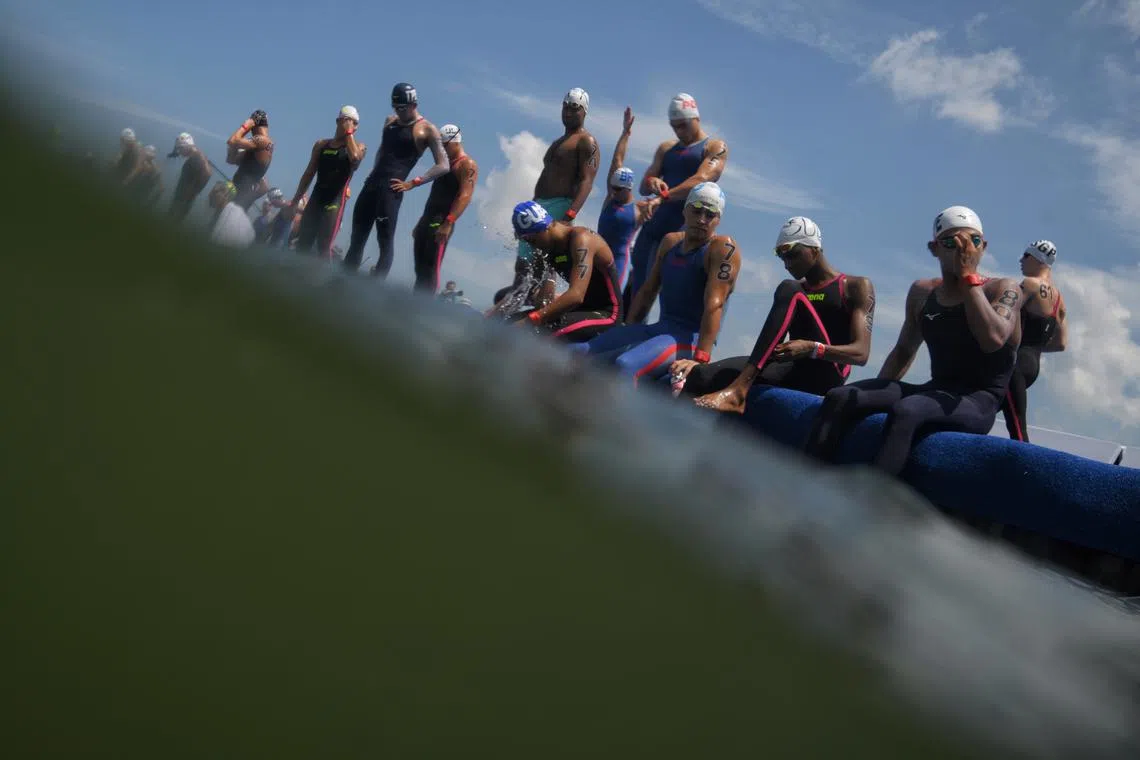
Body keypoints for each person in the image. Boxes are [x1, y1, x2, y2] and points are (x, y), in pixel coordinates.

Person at [802, 206, 1022, 477]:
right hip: (934, 389)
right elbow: (904, 351)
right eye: (951, 242)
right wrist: (874, 395)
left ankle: (870, 505)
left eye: (973, 241)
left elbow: (993, 339)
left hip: (977, 401)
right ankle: (807, 482)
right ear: (934, 249)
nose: (963, 250)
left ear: (983, 247)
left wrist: (968, 280)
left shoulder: (1003, 289)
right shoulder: (922, 292)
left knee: (907, 410)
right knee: (841, 396)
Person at [673, 216, 876, 411]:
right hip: (793, 368)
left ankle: (739, 390)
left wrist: (813, 348)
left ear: (815, 250)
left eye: (793, 254)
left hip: (826, 374)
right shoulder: (798, 289)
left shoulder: (855, 287)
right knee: (701, 376)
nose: (787, 263)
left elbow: (861, 353)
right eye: (781, 256)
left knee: (789, 289)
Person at [568, 182, 739, 385]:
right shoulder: (671, 242)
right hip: (659, 329)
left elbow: (715, 304)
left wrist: (699, 360)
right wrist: (628, 328)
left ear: (718, 220)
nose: (702, 219)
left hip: (689, 340)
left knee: (625, 365)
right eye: (697, 211)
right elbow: (648, 291)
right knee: (578, 351)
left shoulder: (722, 249)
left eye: (710, 215)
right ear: (685, 211)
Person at [622, 93, 728, 316]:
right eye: (674, 126)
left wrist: (664, 196)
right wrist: (654, 182)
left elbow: (702, 179)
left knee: (673, 292)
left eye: (683, 125)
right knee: (640, 288)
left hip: (682, 230)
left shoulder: (714, 147)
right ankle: (627, 334)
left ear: (695, 118)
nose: (678, 131)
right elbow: (644, 184)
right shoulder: (666, 148)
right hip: (653, 229)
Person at [501, 88, 600, 301]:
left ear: (584, 112)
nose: (568, 112)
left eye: (575, 108)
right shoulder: (558, 142)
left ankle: (542, 308)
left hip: (560, 206)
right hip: (539, 205)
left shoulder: (586, 141)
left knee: (547, 260)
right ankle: (521, 303)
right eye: (566, 107)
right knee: (525, 263)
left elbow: (587, 181)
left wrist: (570, 214)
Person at [342, 83, 449, 276]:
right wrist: (372, 172)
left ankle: (376, 287)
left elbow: (443, 165)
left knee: (384, 241)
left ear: (413, 104)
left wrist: (414, 182)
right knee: (357, 238)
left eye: (403, 108)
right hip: (372, 186)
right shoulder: (389, 121)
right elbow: (382, 150)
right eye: (396, 108)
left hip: (391, 191)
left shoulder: (427, 129)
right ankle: (342, 280)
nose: (399, 112)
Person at [505, 200, 623, 342]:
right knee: (509, 323)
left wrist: (530, 320)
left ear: (545, 228)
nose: (531, 245)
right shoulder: (548, 247)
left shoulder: (582, 239)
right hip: (579, 310)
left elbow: (576, 296)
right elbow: (545, 301)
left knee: (539, 331)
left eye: (532, 240)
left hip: (607, 315)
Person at [1000, 240, 1068, 442]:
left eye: (1026, 256)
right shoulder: (1059, 301)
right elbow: (1061, 343)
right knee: (986, 409)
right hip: (1032, 366)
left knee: (1019, 432)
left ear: (1039, 259)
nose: (1021, 260)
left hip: (1014, 367)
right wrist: (1033, 346)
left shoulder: (1029, 284)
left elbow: (1003, 319)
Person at [289, 105, 367, 258]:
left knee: (323, 247)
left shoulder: (359, 147)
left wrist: (349, 133)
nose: (354, 126)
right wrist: (295, 200)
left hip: (334, 203)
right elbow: (308, 174)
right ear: (339, 121)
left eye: (356, 123)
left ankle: (322, 280)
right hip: (316, 201)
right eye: (350, 122)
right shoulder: (321, 145)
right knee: (303, 244)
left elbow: (355, 159)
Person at [410, 123, 478, 292]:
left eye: (445, 145)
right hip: (427, 219)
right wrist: (421, 222)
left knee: (431, 268)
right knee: (419, 269)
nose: (442, 149)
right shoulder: (444, 163)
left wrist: (448, 222)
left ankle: (425, 309)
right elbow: (434, 196)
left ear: (456, 142)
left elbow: (465, 196)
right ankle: (413, 306)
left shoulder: (466, 164)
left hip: (442, 221)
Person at [597, 107, 660, 291]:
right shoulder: (610, 198)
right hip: (597, 257)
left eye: (618, 190)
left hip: (618, 263)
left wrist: (657, 198)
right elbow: (617, 159)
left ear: (628, 189)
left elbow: (667, 198)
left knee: (612, 304)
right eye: (613, 188)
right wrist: (626, 133)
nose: (614, 192)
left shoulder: (640, 209)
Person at [226, 109, 274, 210]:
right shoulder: (260, 146)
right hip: (239, 196)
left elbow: (232, 141)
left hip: (239, 198)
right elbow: (231, 160)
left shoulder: (262, 140)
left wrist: (245, 126)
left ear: (254, 123)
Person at [166, 132, 212, 223]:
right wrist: (174, 153)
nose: (180, 152)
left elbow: (208, 173)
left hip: (183, 201)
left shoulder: (197, 158)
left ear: (186, 147)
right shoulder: (196, 154)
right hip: (183, 199)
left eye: (180, 149)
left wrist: (194, 192)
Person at [207, 180, 256, 249]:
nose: (210, 195)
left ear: (225, 196)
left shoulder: (226, 220)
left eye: (215, 192)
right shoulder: (228, 210)